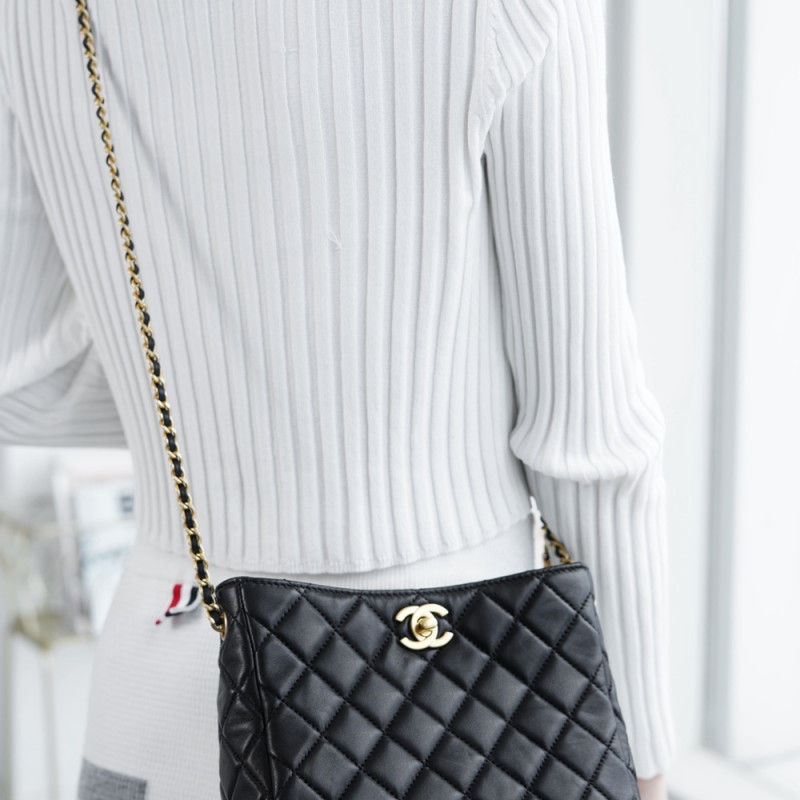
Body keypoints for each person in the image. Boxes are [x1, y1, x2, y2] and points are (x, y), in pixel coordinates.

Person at [0, 0, 674, 798]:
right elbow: (590, 440)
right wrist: (644, 754)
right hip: (475, 703)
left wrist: (224, 419)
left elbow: (20, 382)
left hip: (156, 700)